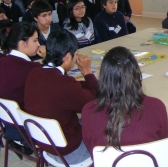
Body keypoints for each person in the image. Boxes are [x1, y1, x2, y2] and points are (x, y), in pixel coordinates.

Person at [24, 30, 97, 165]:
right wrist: (87, 72)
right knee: (105, 123)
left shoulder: (34, 73)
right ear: (67, 57)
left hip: (45, 144)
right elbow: (95, 103)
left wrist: (83, 84)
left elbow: (69, 89)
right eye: (76, 56)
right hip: (70, 152)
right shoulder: (64, 85)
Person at [82, 46, 168, 157]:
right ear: (136, 74)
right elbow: (162, 143)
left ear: (104, 77)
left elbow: (91, 148)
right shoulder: (157, 106)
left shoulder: (88, 110)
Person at [0, 22, 45, 156]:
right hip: (28, 127)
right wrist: (47, 58)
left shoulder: (2, 61)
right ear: (22, 43)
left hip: (8, 123)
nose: (39, 44)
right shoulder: (33, 69)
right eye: (35, 40)